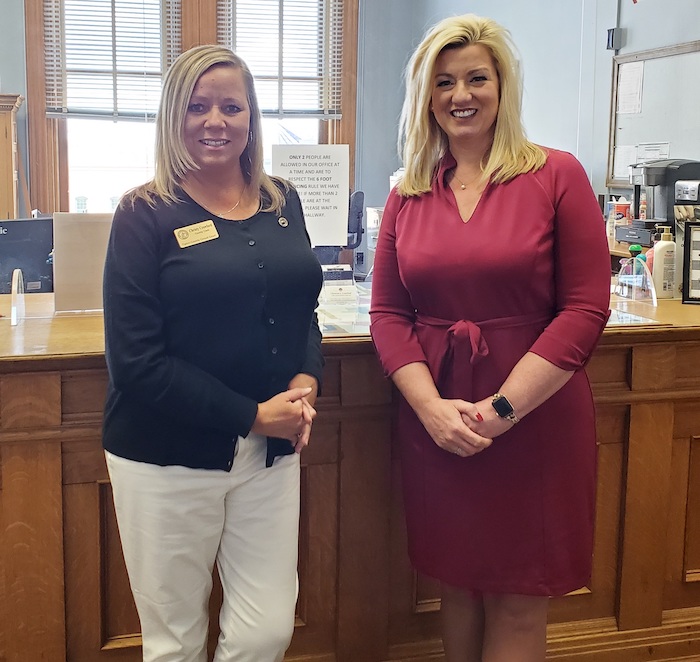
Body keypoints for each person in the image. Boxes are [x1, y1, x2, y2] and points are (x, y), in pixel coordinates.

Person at [369, 14, 611, 662]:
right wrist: (429, 410)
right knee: (458, 587)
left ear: (502, 86)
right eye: (444, 82)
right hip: (439, 418)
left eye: (477, 77)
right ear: (427, 96)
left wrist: (502, 411)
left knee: (519, 596)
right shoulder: (409, 194)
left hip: (534, 416)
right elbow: (388, 315)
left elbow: (586, 308)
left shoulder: (556, 175)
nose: (461, 95)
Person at [102, 44, 323, 662]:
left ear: (251, 117)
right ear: (174, 116)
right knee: (175, 641)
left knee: (266, 630)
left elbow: (303, 308)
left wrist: (306, 375)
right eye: (197, 107)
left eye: (231, 106)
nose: (215, 121)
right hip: (165, 456)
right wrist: (254, 415)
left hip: (270, 454)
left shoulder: (283, 200)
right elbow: (136, 363)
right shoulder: (142, 213)